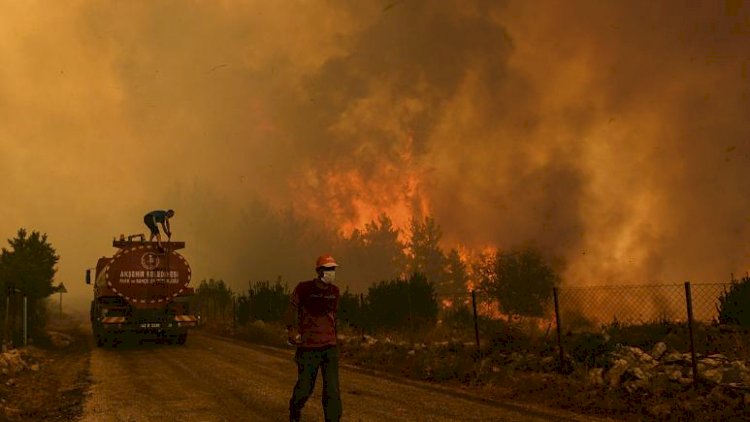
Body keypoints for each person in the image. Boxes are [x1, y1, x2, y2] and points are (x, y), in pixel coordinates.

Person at [284, 254, 342, 422]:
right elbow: (290, 310)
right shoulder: (304, 289)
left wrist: (335, 339)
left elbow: (334, 317)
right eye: (328, 269)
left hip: (329, 348)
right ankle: (294, 409)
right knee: (305, 388)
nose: (332, 272)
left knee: (332, 389)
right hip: (308, 348)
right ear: (319, 271)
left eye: (333, 269)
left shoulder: (335, 292)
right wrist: (291, 330)